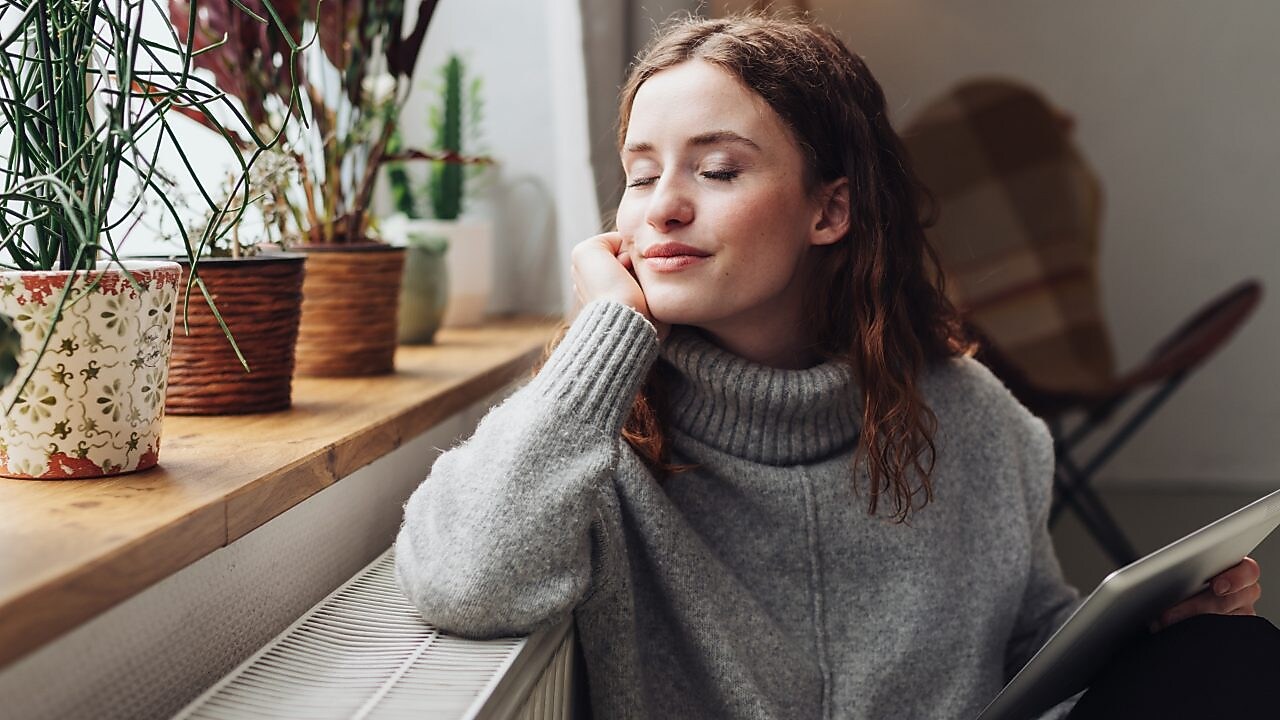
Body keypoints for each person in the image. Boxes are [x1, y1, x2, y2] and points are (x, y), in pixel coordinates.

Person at [395, 13, 1274, 719]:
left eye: (715, 169)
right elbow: (461, 583)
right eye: (639, 173)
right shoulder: (591, 426)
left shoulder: (972, 416)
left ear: (830, 210)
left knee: (1231, 658)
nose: (662, 206)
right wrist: (603, 338)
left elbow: (1025, 639)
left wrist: (1145, 636)